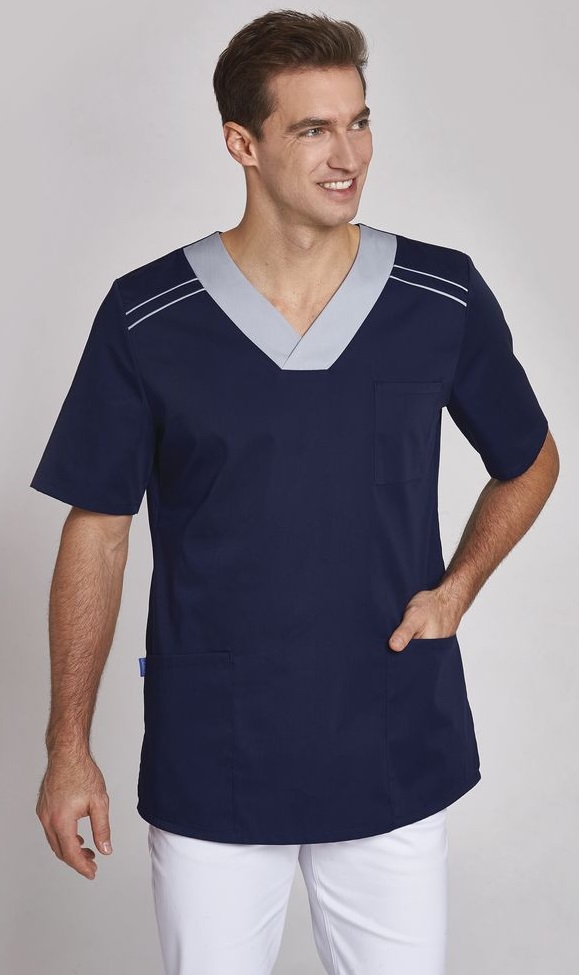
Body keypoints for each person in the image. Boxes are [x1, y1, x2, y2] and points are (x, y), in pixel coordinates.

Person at [30, 9, 559, 975]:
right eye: (312, 129)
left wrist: (457, 589)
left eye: (358, 122)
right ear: (242, 142)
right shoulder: (148, 316)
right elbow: (97, 529)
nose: (347, 154)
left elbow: (529, 459)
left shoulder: (438, 296)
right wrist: (69, 746)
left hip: (391, 736)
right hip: (216, 749)